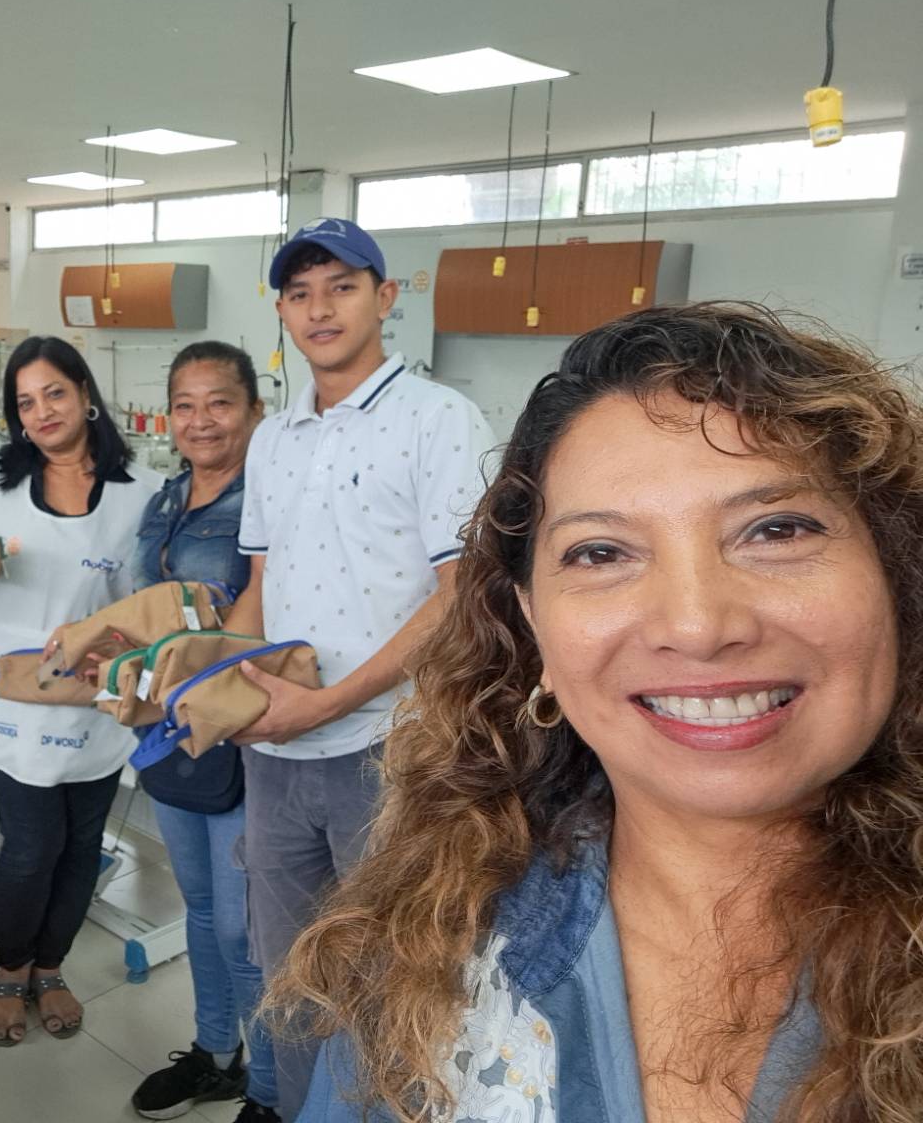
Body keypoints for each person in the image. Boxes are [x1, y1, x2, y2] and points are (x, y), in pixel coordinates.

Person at [279, 302, 923, 1123]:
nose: (697, 624)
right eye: (601, 552)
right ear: (534, 626)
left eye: (776, 529)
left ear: (896, 577)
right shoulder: (421, 946)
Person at [219, 218, 492, 1120]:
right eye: (299, 293)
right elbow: (259, 585)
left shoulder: (438, 419)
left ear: (385, 297)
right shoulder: (274, 437)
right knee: (293, 972)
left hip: (389, 749)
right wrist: (216, 687)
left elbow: (460, 594)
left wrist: (329, 703)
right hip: (274, 757)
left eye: (341, 286)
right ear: (281, 312)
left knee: (391, 971)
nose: (319, 308)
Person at [0, 336, 161, 1046]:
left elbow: (142, 599)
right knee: (30, 845)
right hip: (14, 697)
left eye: (54, 392)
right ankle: (11, 969)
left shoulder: (139, 491)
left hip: (93, 698)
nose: (42, 411)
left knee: (83, 843)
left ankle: (50, 966)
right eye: (25, 402)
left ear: (86, 393)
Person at [128, 342, 279, 1123]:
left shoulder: (269, 503)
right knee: (199, 910)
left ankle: (276, 1090)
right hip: (171, 734)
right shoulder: (165, 500)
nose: (201, 420)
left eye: (220, 402)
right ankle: (216, 1053)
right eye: (185, 405)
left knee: (243, 929)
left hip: (244, 738)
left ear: (255, 409)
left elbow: (279, 621)